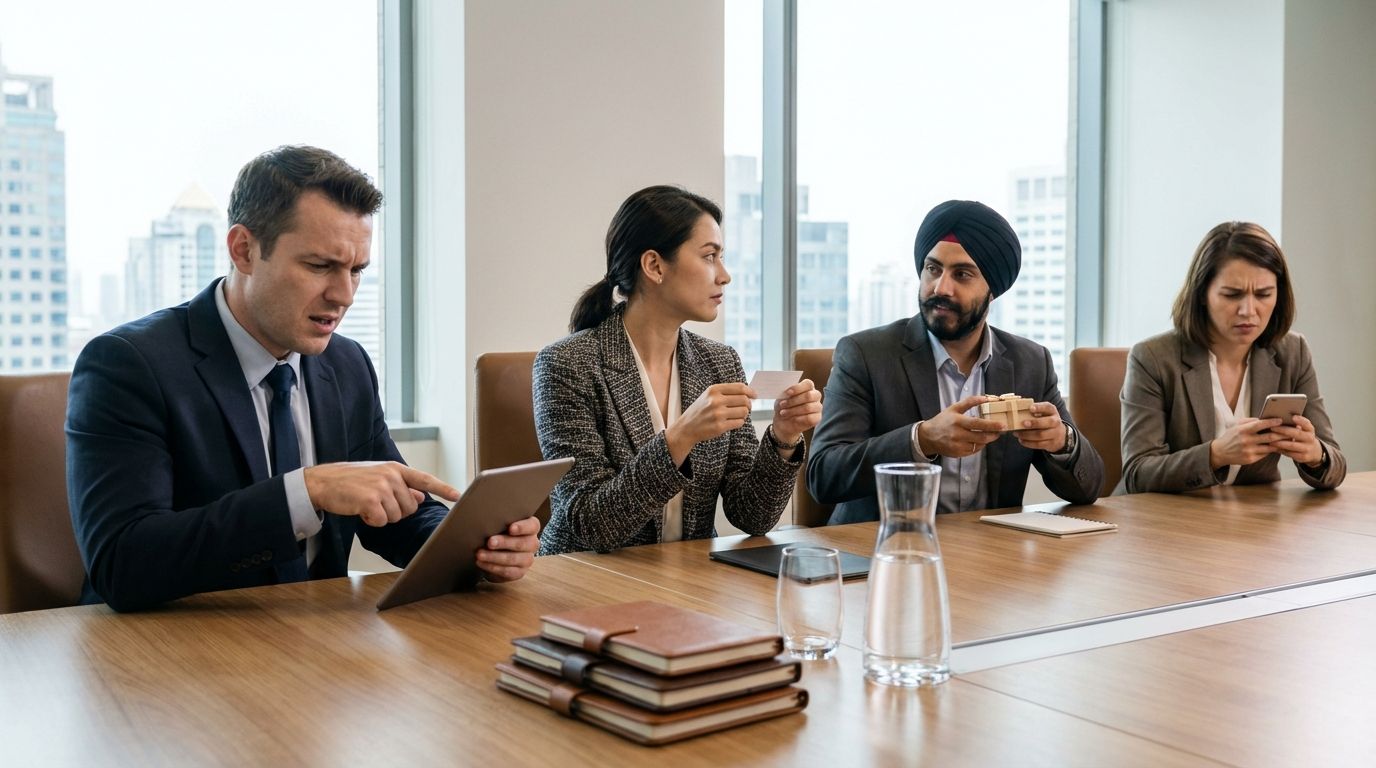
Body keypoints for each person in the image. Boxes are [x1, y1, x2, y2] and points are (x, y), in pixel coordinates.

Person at [66, 145, 540, 611]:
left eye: (357, 270)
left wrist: (475, 547)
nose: (344, 295)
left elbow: (392, 514)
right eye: (320, 267)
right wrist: (304, 492)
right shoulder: (127, 365)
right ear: (244, 249)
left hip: (313, 643)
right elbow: (122, 564)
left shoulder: (347, 364)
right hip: (172, 655)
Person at [533, 185, 822, 555]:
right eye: (709, 257)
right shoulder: (567, 365)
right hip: (586, 581)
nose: (724, 275)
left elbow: (752, 516)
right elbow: (591, 525)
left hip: (687, 580)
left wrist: (783, 438)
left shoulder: (719, 362)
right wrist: (680, 438)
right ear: (654, 266)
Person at [808, 199, 1104, 523]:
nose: (940, 287)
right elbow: (824, 475)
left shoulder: (1031, 362)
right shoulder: (865, 354)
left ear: (993, 290)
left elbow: (1088, 488)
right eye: (933, 269)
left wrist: (1062, 441)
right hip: (884, 554)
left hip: (990, 557)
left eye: (962, 274)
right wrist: (922, 439)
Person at [1118, 221, 1345, 493]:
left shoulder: (1292, 352)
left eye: (1264, 294)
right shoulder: (1152, 358)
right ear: (1202, 294)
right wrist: (1216, 455)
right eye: (1232, 295)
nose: (1249, 311)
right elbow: (1137, 474)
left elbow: (1336, 464)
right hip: (1165, 522)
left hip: (1251, 524)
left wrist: (1315, 455)